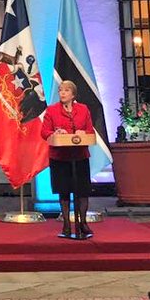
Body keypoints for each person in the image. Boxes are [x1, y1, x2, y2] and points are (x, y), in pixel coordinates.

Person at [39, 80, 96, 240]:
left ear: (73, 94)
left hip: (80, 156)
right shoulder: (52, 110)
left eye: (66, 90)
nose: (62, 93)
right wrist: (56, 133)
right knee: (63, 191)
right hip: (60, 157)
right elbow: (44, 132)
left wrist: (83, 133)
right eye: (60, 90)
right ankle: (66, 225)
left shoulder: (83, 109)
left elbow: (90, 130)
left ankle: (83, 223)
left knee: (82, 191)